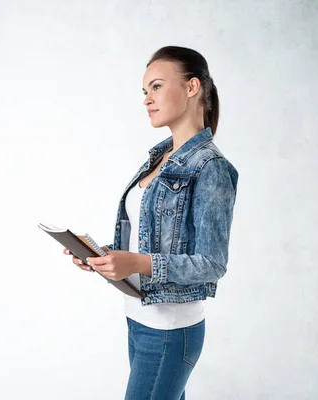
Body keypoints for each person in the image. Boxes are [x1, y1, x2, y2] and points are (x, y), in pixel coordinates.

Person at [63, 46, 239, 399]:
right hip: (139, 318)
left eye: (156, 87)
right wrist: (106, 256)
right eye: (145, 91)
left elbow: (212, 264)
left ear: (192, 88)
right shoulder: (159, 158)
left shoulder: (210, 167)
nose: (147, 99)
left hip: (170, 329)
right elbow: (156, 242)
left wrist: (137, 263)